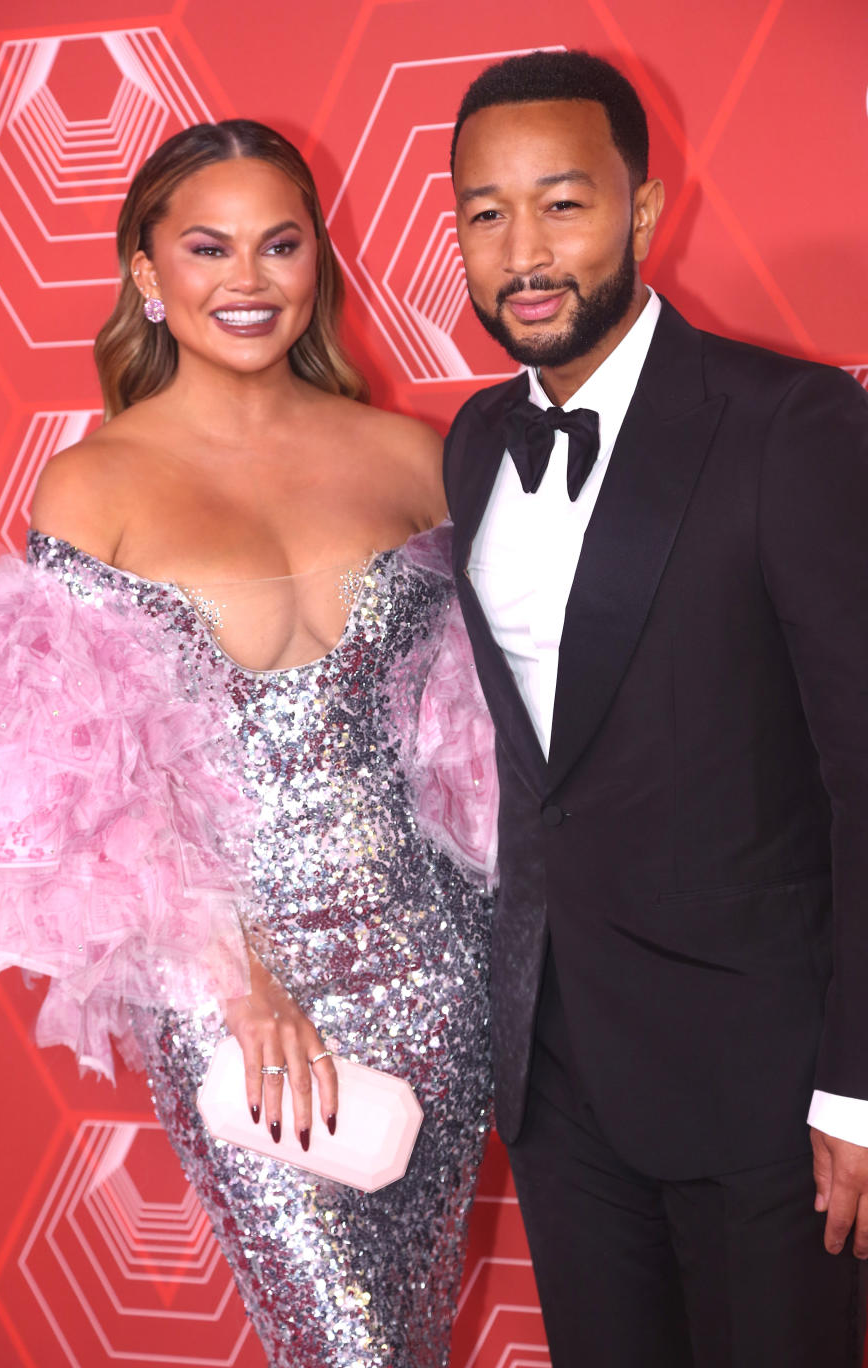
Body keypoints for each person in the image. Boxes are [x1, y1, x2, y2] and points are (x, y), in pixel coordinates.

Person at [0, 119, 498, 1368]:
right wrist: (240, 984)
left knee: (409, 1328)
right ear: (146, 273)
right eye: (208, 247)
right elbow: (91, 791)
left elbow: (479, 736)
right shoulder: (93, 488)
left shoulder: (414, 459)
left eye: (280, 245)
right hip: (237, 985)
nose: (247, 280)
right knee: (343, 1345)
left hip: (433, 967)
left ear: (316, 264)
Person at [443, 48, 868, 1367]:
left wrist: (858, 1090)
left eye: (562, 203)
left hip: (766, 1091)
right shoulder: (468, 445)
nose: (524, 249)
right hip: (562, 1076)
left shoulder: (789, 423)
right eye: (486, 211)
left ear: (642, 206)